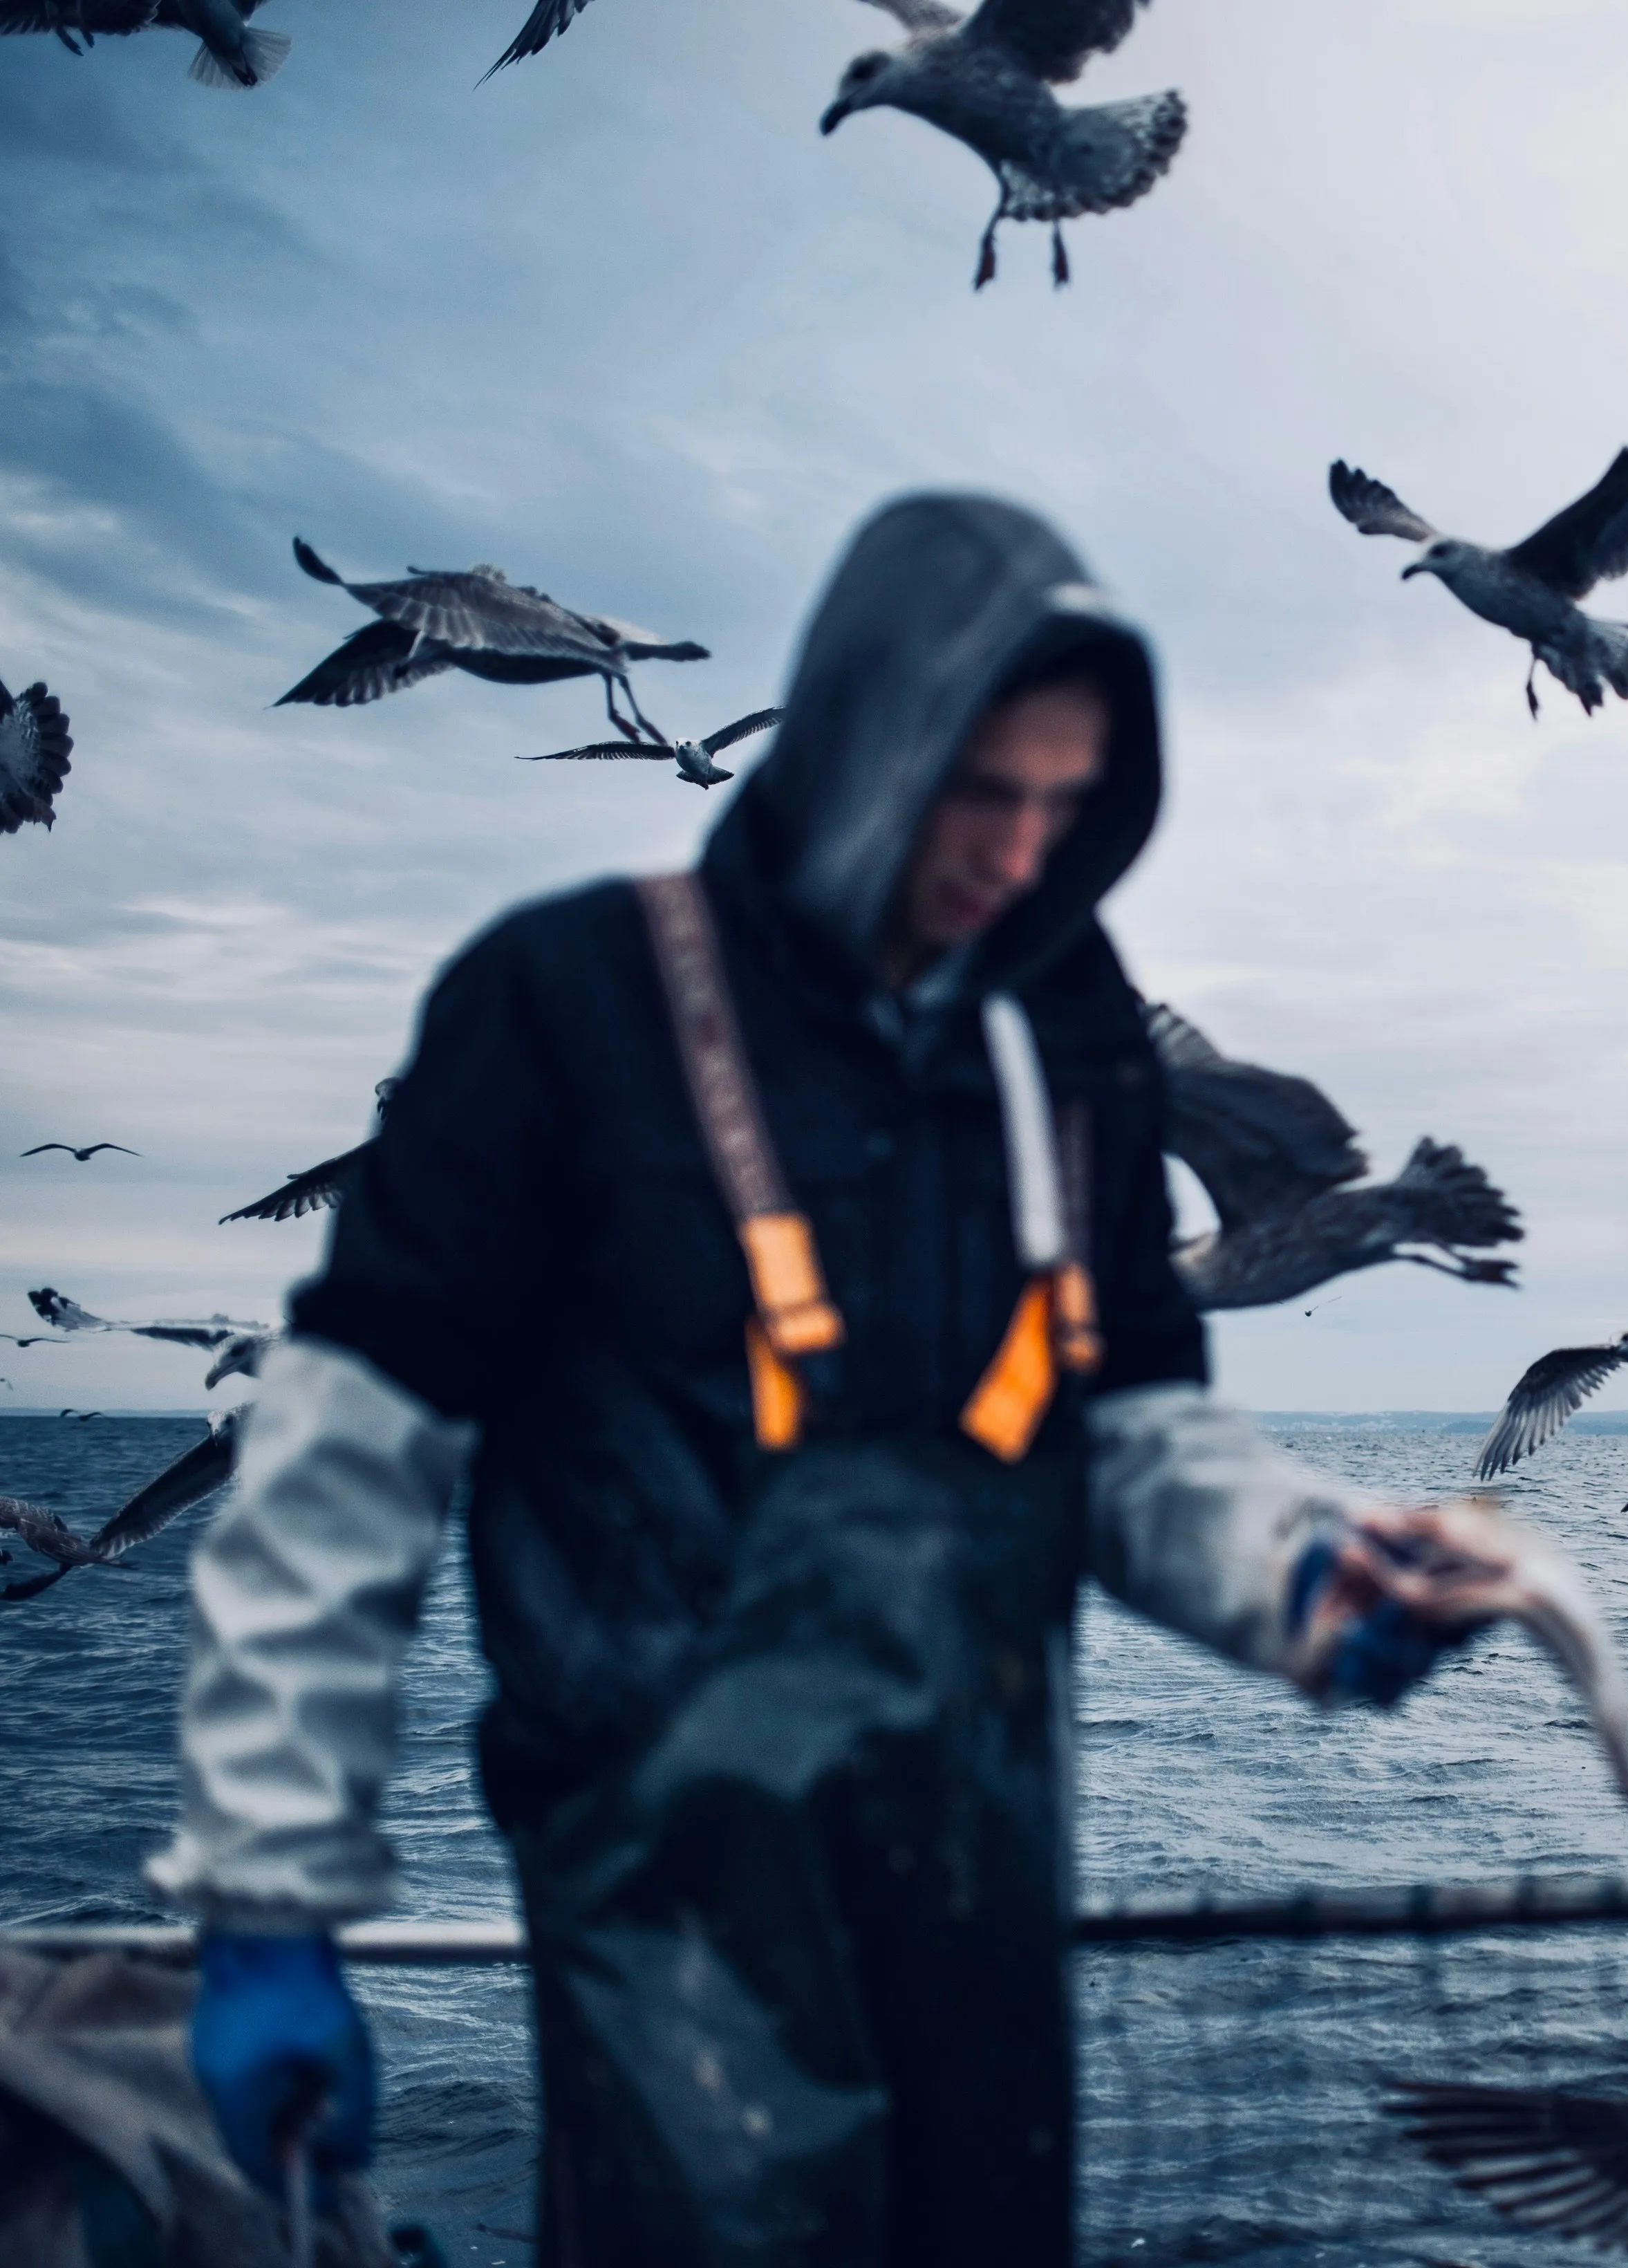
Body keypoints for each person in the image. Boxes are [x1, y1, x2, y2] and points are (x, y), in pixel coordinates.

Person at [151, 494, 1536, 2264]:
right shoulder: (561, 1004)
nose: (1020, 849)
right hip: (666, 1917)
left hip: (980, 1881)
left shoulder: (1070, 1035)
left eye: (1066, 804)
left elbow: (1130, 1422)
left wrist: (1290, 1568)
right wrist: (269, 1894)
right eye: (982, 791)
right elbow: (340, 1472)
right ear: (870, 732)